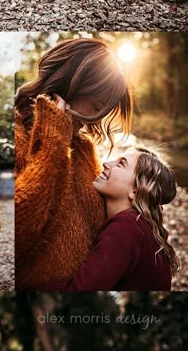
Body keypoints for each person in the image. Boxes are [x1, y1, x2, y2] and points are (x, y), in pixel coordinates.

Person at [14, 38, 133, 289]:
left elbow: (103, 226)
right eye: (97, 106)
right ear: (71, 85)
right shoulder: (15, 135)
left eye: (104, 111)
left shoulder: (83, 148)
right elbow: (18, 233)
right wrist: (54, 140)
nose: (97, 119)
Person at [49, 146, 177, 291]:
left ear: (136, 190)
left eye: (120, 164)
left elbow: (80, 289)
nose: (106, 163)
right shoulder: (138, 225)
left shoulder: (126, 229)